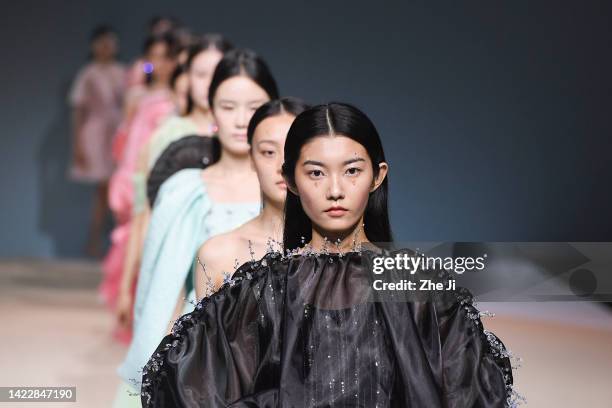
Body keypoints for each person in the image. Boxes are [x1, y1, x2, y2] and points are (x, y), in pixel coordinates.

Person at [140, 102, 521, 407]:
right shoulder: (260, 291)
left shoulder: (421, 287)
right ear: (290, 180)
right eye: (316, 173)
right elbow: (188, 388)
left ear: (378, 176)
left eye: (352, 171)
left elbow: (469, 392)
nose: (335, 190)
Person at [115, 49, 280, 402]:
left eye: (253, 107)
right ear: (212, 109)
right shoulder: (184, 190)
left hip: (280, 352)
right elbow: (161, 292)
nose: (240, 120)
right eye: (228, 106)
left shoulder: (291, 189)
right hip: (199, 358)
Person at [115, 34, 233, 334]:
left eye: (219, 73)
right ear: (187, 78)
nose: (210, 83)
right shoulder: (167, 137)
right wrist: (129, 288)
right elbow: (145, 217)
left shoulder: (249, 136)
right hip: (176, 281)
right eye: (202, 74)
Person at [101, 30, 181, 344]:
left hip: (156, 175)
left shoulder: (175, 99)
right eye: (153, 57)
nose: (159, 64)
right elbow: (125, 135)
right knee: (127, 243)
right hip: (131, 172)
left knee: (146, 241)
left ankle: (144, 317)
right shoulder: (137, 95)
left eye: (165, 57)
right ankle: (126, 311)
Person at [196, 97, 310, 298]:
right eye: (268, 152)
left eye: (293, 150)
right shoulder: (217, 254)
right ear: (251, 159)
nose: (282, 165)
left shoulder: (361, 250)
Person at [68, 25, 126, 256]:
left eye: (110, 42)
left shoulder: (123, 71)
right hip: (95, 134)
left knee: (116, 189)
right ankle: (96, 242)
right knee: (103, 190)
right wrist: (77, 145)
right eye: (101, 43)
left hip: (118, 132)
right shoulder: (88, 73)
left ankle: (114, 244)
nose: (106, 47)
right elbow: (78, 111)